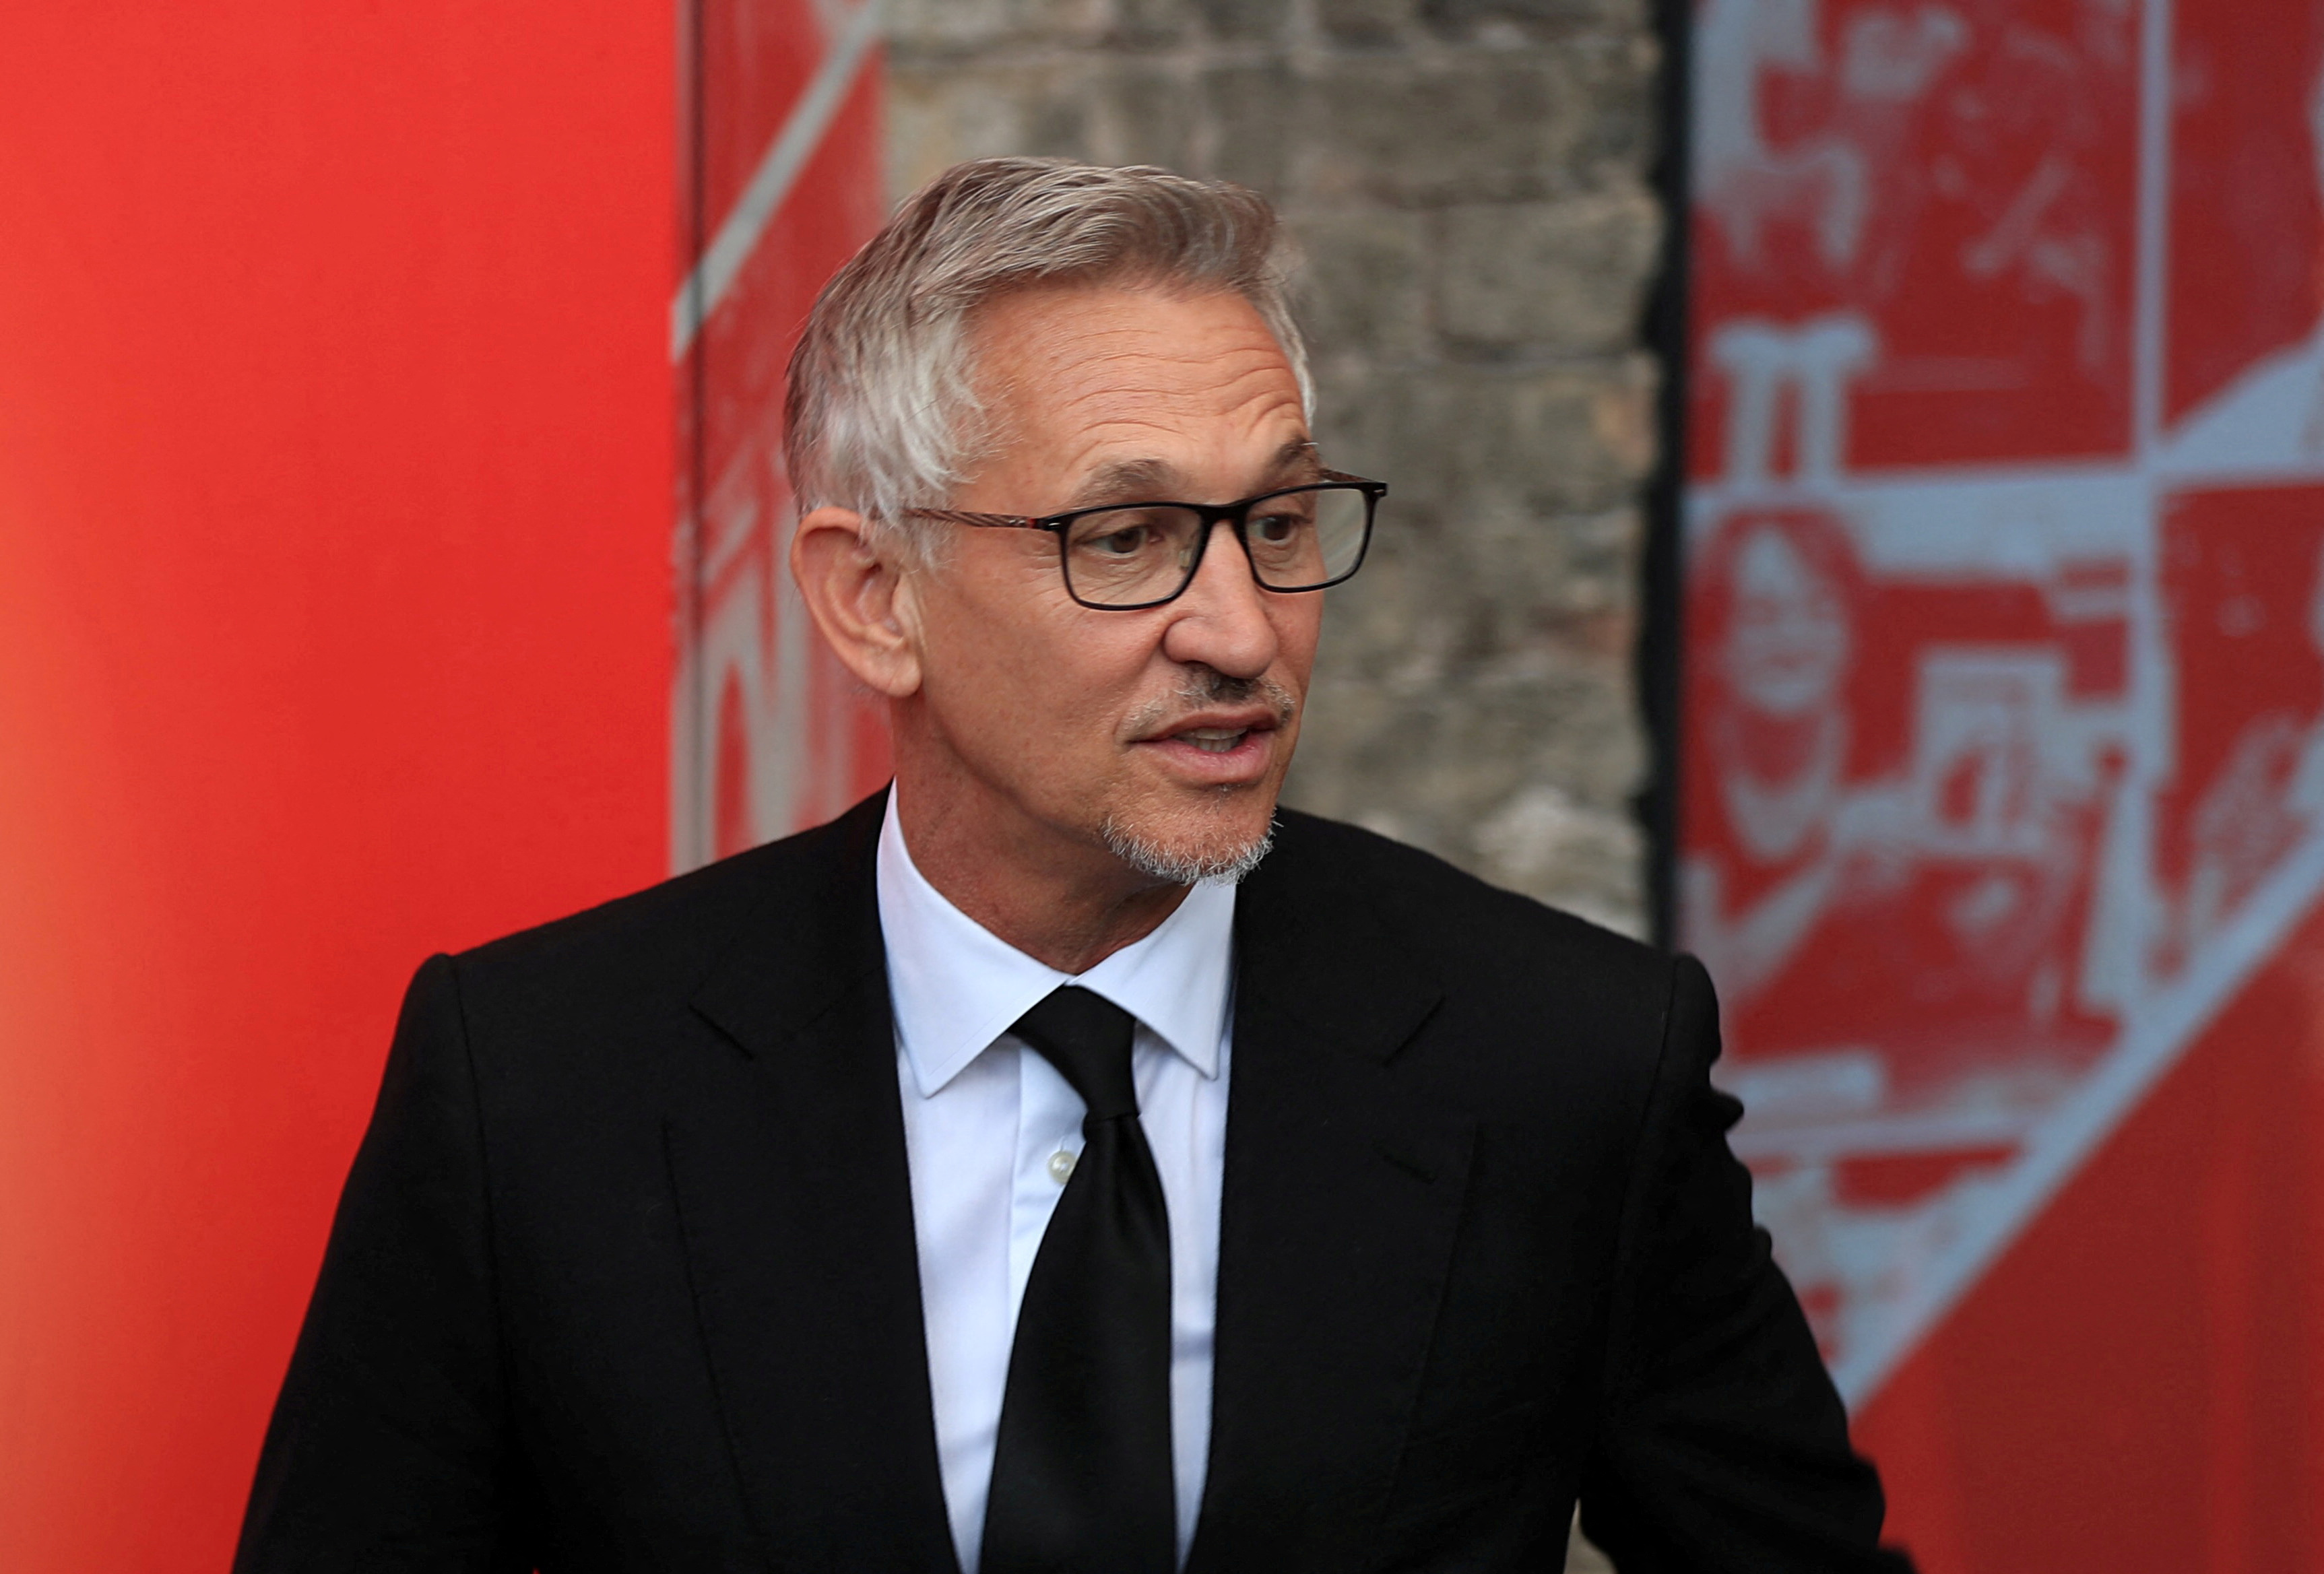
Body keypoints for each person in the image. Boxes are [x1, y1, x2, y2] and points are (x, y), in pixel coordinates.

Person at [235, 158, 1909, 1573]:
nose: (1242, 630)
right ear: (870, 596)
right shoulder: (538, 1083)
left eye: (1278, 521)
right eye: (1125, 540)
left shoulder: (1563, 1059)